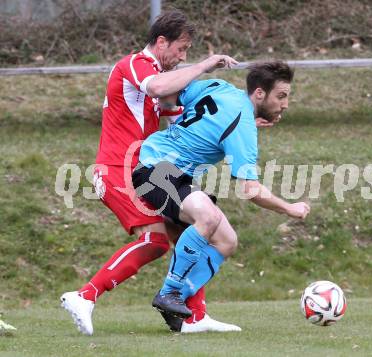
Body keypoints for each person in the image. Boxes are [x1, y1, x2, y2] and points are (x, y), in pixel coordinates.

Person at [60, 9, 242, 335]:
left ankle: (193, 316)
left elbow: (184, 121)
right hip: (116, 169)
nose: (183, 57)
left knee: (189, 232)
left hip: (146, 170)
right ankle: (84, 296)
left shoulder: (165, 79)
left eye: (187, 52)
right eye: (181, 50)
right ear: (161, 42)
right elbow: (156, 88)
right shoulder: (135, 65)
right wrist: (202, 65)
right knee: (155, 240)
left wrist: (242, 123)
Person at [132, 61, 311, 321]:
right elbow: (251, 190)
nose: (285, 104)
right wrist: (289, 208)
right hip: (155, 169)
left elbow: (172, 93)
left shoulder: (219, 87)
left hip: (170, 172)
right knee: (209, 217)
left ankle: (176, 303)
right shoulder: (243, 125)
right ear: (259, 93)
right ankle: (169, 292)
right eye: (281, 96)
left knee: (227, 240)